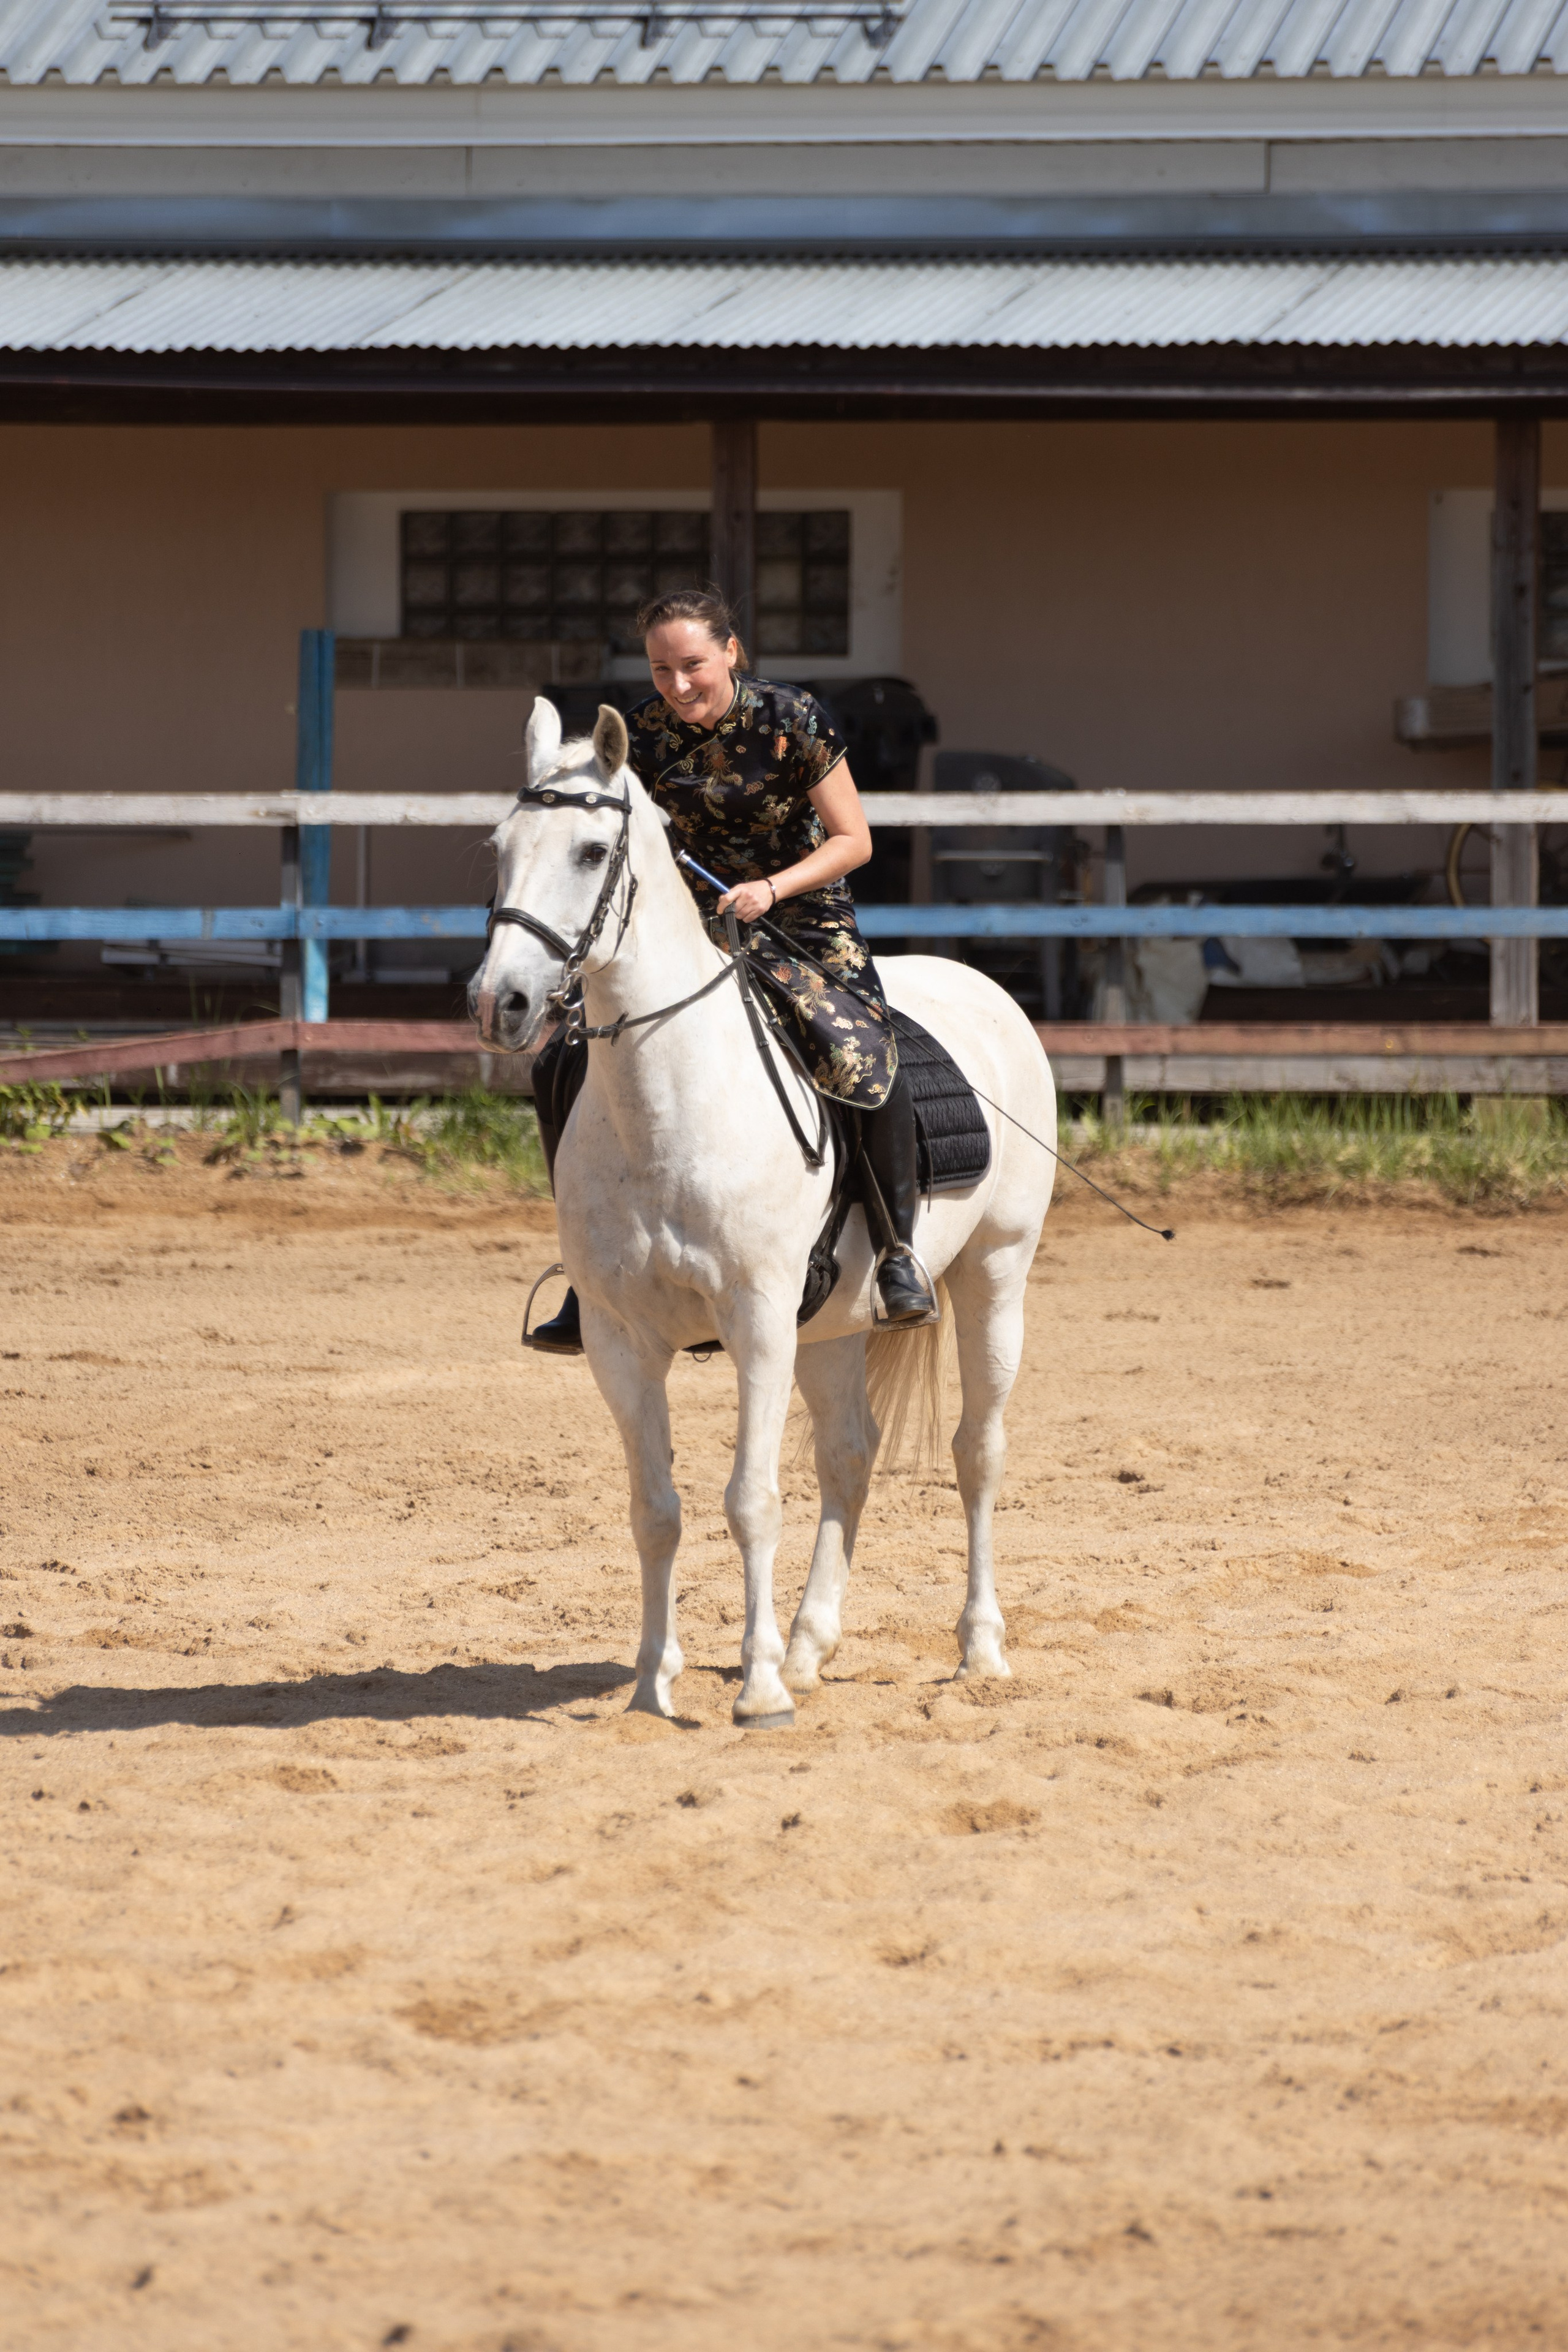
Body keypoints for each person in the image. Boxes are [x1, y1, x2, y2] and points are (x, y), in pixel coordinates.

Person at [527, 586, 937, 1355]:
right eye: (660, 671)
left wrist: (772, 889)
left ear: (730, 653)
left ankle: (895, 1253)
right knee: (559, 1058)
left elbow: (855, 841)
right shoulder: (639, 736)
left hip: (803, 917)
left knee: (861, 1054)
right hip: (690, 930)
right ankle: (587, 1278)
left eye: (692, 666)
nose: (678, 686)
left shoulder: (793, 719)